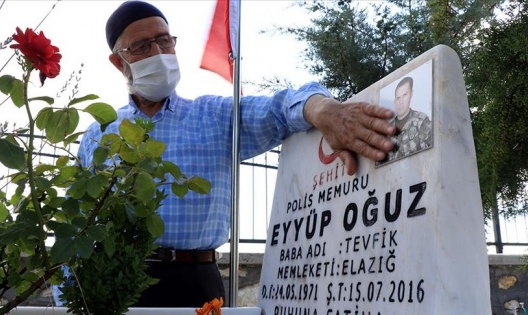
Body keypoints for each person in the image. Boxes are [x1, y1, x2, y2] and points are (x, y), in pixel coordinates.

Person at [54, 0, 397, 308]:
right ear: (119, 62)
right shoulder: (100, 133)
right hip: (122, 285)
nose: (159, 52)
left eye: (164, 40)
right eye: (143, 46)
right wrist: (66, 300)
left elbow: (280, 108)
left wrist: (323, 110)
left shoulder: (214, 117)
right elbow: (75, 225)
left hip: (199, 283)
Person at [377, 76, 432, 165]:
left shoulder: (421, 121)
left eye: (405, 95)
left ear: (411, 94)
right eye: (398, 98)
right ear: (394, 101)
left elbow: (430, 155)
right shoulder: (386, 132)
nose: (401, 102)